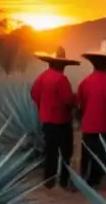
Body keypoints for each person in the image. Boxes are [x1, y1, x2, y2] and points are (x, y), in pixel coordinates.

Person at [30, 46, 80, 189]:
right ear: (61, 65)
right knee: (66, 152)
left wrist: (43, 106)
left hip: (47, 120)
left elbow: (33, 94)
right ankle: (64, 181)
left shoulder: (42, 77)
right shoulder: (61, 79)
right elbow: (68, 100)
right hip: (62, 121)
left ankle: (49, 180)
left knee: (50, 151)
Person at [77, 39, 106, 188]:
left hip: (88, 124)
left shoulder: (84, 83)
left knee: (87, 152)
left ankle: (84, 176)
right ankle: (95, 179)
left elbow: (80, 104)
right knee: (101, 152)